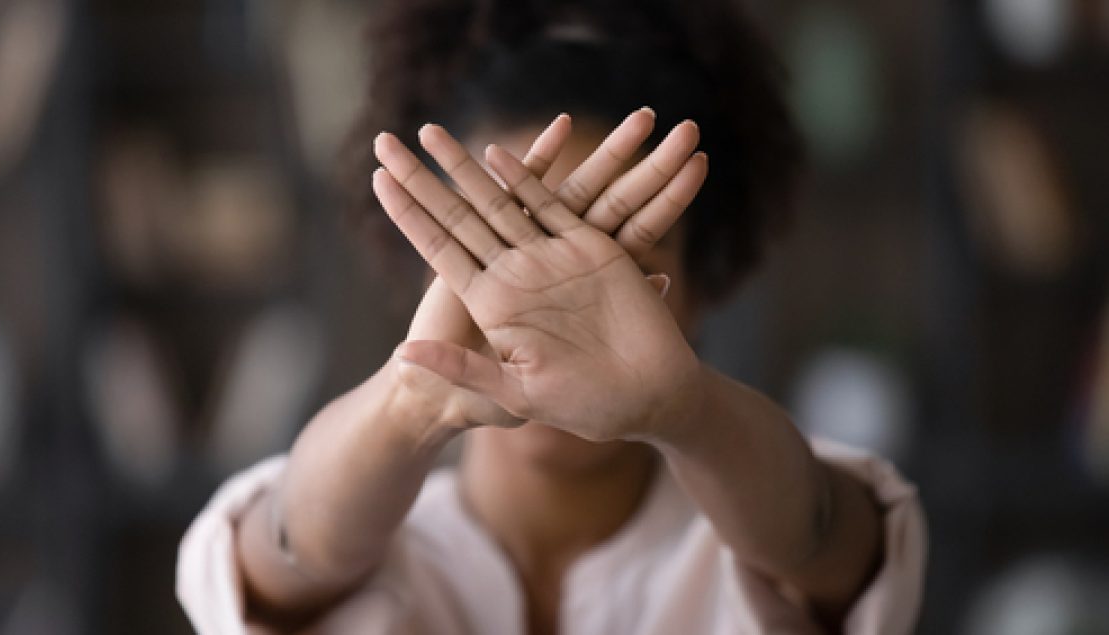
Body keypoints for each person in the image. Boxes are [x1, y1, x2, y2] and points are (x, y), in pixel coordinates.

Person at [177, 1, 926, 633]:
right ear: (424, 267)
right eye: (496, 249)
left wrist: (689, 409)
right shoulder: (365, 521)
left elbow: (820, 533)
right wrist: (410, 400)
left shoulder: (757, 517)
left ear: (707, 280)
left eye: (627, 267)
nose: (545, 323)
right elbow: (293, 548)